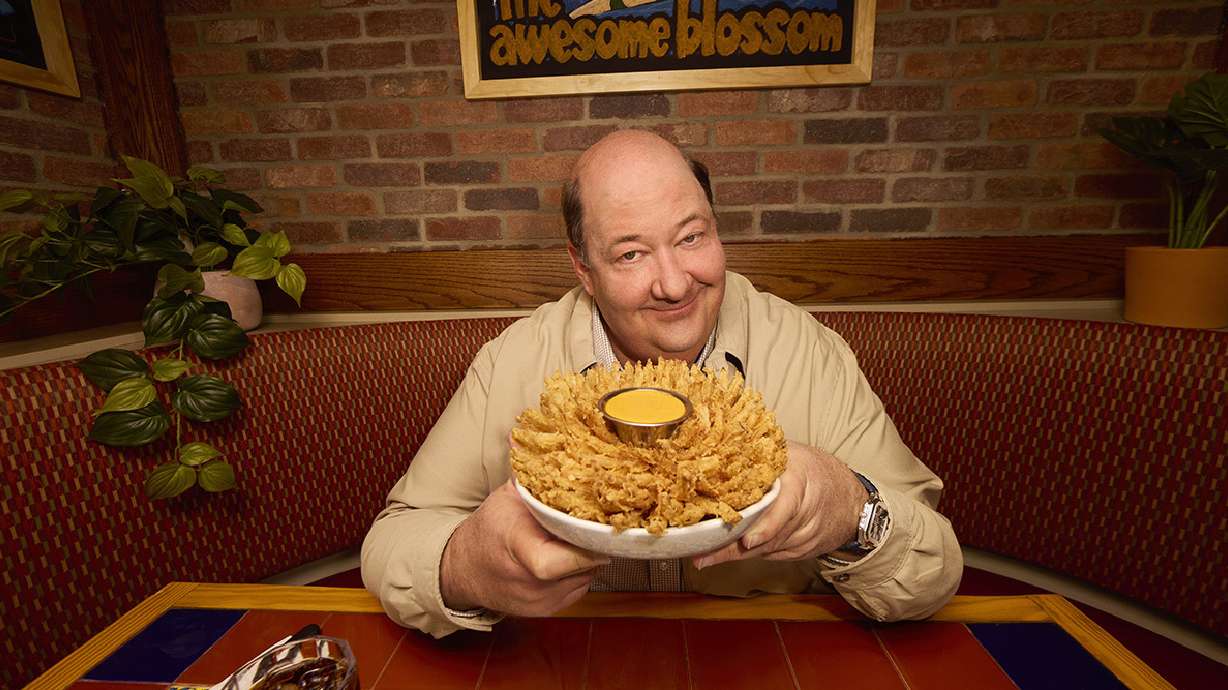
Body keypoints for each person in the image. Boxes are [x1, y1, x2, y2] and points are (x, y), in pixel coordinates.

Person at [361, 130, 962, 636]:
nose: (674, 284)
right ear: (583, 268)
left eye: (691, 237)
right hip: (573, 655)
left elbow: (933, 573)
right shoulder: (513, 361)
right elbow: (394, 541)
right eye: (630, 255)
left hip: (753, 654)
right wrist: (466, 565)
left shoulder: (808, 351)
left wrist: (850, 509)